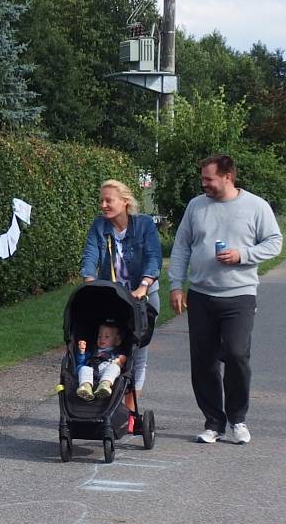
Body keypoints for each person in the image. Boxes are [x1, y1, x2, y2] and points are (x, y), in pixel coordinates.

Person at [168, 154, 282, 445]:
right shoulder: (196, 206)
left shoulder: (255, 206)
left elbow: (274, 242)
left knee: (236, 354)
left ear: (227, 177)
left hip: (239, 294)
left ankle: (238, 418)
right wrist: (176, 286)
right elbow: (181, 246)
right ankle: (213, 422)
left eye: (209, 179)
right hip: (201, 294)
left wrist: (242, 256)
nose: (203, 183)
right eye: (202, 178)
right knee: (203, 361)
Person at [80, 180, 162, 414]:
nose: (103, 205)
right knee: (107, 347)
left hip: (141, 297)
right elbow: (90, 254)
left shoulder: (144, 225)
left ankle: (130, 410)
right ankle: (107, 401)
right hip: (112, 298)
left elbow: (153, 257)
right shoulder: (99, 226)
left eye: (109, 200)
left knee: (136, 353)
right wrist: (89, 283)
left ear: (125, 202)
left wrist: (144, 285)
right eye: (101, 201)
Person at [75, 322, 126, 401]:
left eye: (107, 337)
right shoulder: (92, 351)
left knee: (115, 367)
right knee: (84, 368)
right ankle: (85, 387)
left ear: (116, 341)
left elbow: (121, 364)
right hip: (91, 371)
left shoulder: (115, 353)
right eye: (99, 336)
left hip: (106, 372)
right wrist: (81, 352)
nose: (102, 339)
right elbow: (81, 362)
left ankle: (105, 385)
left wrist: (121, 360)